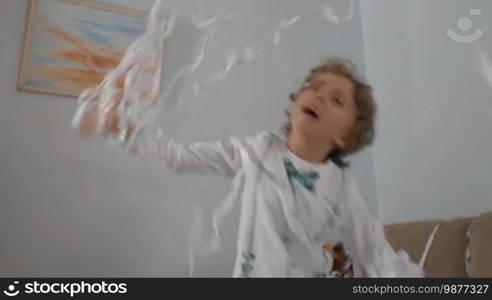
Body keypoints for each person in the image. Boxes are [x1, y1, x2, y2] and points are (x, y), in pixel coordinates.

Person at [73, 57, 424, 277]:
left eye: (336, 100)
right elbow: (179, 157)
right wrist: (122, 126)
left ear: (347, 136)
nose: (318, 96)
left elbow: (372, 252)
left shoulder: (342, 187)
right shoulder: (255, 151)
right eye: (314, 88)